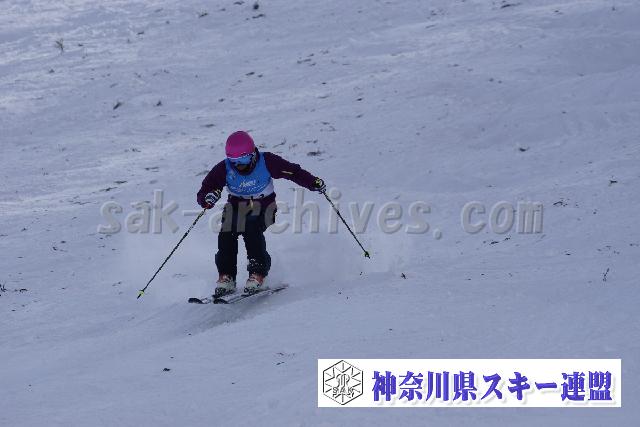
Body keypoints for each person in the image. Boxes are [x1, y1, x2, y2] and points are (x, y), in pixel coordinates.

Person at [197, 130, 326, 297]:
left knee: (250, 225)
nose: (239, 165)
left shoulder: (267, 161)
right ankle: (226, 276)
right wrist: (208, 198)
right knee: (227, 231)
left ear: (252, 154)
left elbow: (293, 172)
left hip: (265, 206)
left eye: (243, 160)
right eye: (234, 161)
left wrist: (313, 182)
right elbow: (206, 189)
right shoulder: (224, 168)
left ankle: (258, 273)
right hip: (236, 206)